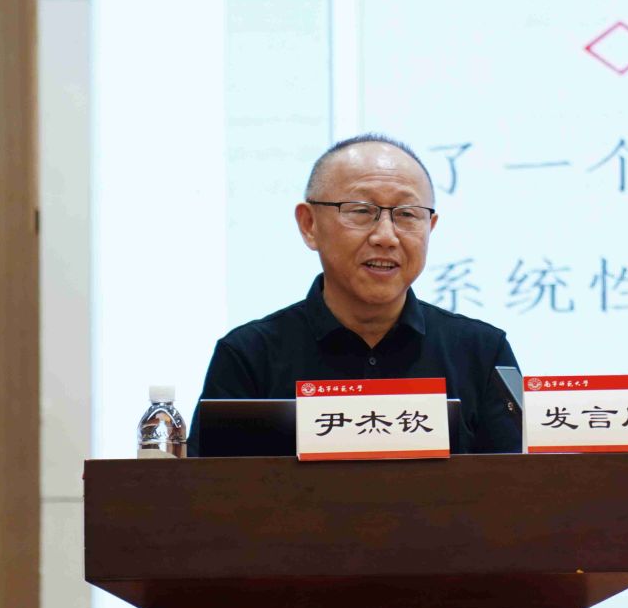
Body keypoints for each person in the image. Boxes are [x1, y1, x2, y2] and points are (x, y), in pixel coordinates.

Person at [188, 133, 522, 455]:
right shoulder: (249, 356)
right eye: (361, 211)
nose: (386, 236)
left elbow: (521, 484)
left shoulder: (483, 352)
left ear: (429, 228)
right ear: (309, 224)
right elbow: (209, 489)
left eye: (407, 214)